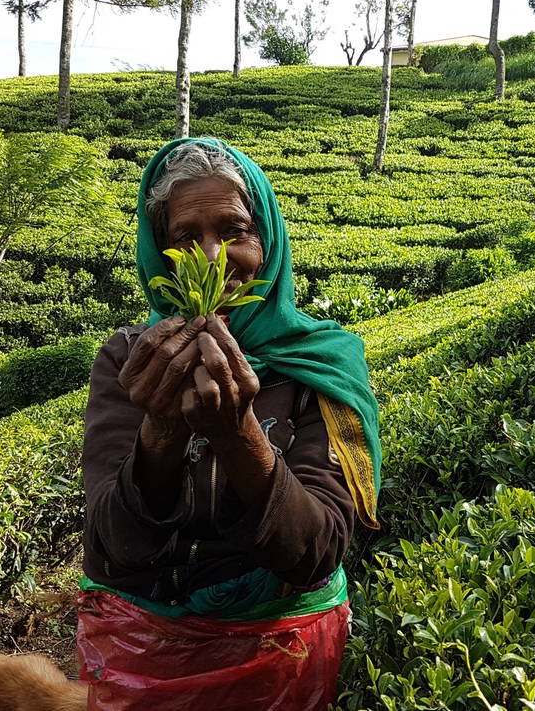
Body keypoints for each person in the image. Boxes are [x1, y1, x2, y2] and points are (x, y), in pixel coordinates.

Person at [76, 137, 382, 711]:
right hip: (148, 643)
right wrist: (162, 431)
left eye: (234, 231)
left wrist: (238, 433)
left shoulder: (321, 362)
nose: (213, 259)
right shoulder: (128, 360)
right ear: (157, 254)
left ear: (267, 242)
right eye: (185, 238)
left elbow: (318, 551)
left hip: (280, 652)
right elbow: (111, 546)